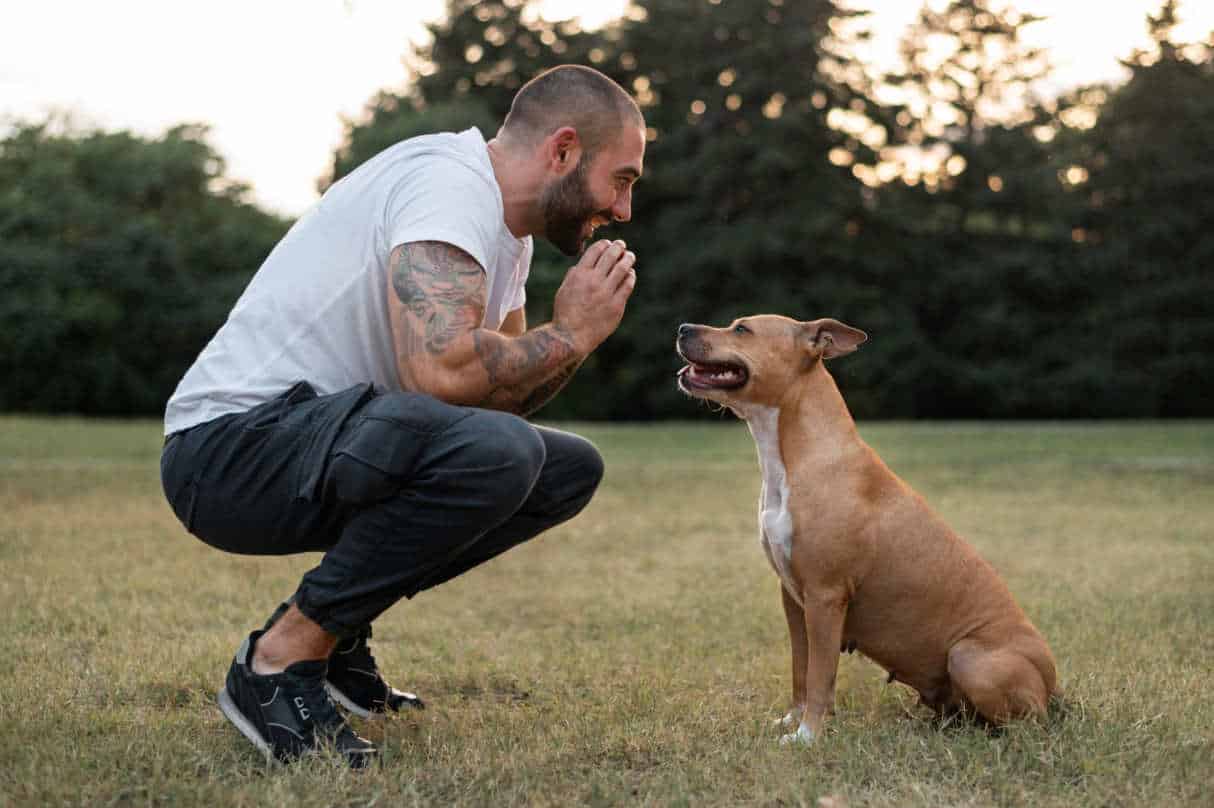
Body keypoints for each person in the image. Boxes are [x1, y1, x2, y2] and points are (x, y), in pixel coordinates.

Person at [159, 64, 645, 767]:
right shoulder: (449, 188)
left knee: (564, 468)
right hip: (229, 450)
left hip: (318, 441)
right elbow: (442, 372)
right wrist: (570, 333)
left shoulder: (511, 236)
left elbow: (493, 394)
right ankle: (278, 663)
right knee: (501, 452)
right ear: (563, 150)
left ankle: (338, 633)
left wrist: (574, 340)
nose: (623, 209)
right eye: (622, 179)